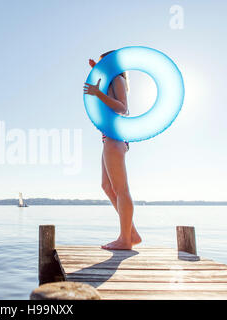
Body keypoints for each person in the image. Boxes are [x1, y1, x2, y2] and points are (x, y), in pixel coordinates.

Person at [84, 51, 141, 250]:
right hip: (108, 137)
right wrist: (95, 71)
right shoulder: (110, 80)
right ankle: (131, 233)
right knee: (107, 186)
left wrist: (98, 93)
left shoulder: (117, 79)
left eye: (103, 63)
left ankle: (125, 240)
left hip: (116, 137)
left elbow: (122, 108)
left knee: (121, 189)